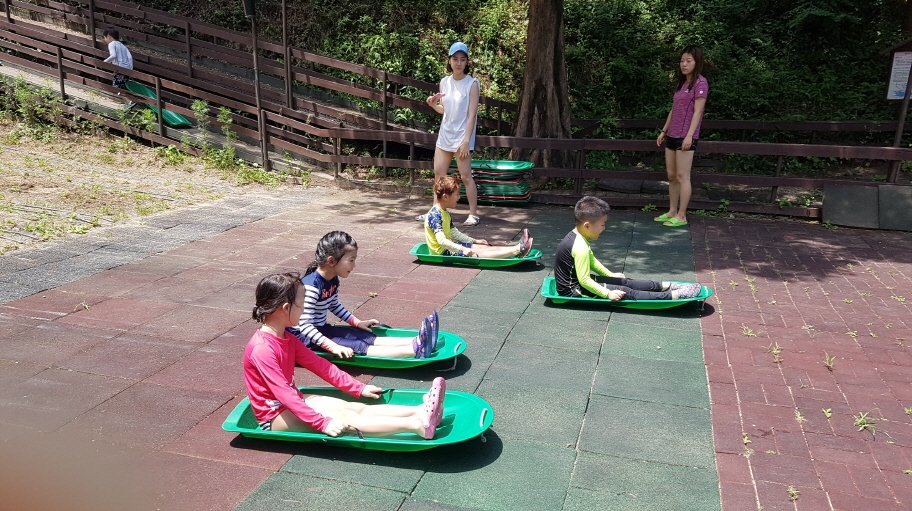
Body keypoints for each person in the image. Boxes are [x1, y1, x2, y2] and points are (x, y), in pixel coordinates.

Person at [244, 272, 446, 438]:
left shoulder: (286, 337)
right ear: (286, 308)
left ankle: (421, 411)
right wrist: (322, 423)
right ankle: (418, 425)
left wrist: (358, 387)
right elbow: (283, 393)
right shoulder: (262, 349)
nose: (305, 309)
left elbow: (321, 366)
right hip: (273, 416)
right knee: (348, 420)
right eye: (302, 304)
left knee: (354, 408)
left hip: (291, 401)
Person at [289, 231, 439, 359]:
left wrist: (356, 322)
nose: (354, 266)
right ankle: (414, 350)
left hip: (321, 329)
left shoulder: (333, 279)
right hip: (306, 339)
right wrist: (332, 346)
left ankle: (418, 340)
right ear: (331, 261)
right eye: (351, 260)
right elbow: (305, 327)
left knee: (361, 336)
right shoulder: (311, 287)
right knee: (358, 345)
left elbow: (334, 305)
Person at [553, 196, 703, 301]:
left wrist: (610, 275)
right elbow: (585, 280)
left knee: (623, 282)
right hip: (573, 291)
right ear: (587, 225)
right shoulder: (580, 247)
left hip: (578, 283)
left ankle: (667, 286)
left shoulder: (578, 236)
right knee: (625, 291)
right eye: (602, 225)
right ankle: (673, 295)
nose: (604, 228)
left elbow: (591, 261)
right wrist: (607, 294)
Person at [417, 41, 481, 227]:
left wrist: (466, 141)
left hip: (462, 137)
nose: (458, 63)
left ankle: (473, 214)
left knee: (466, 176)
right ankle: (435, 211)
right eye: (455, 59)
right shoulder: (444, 82)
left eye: (462, 59)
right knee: (439, 175)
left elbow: (472, 115)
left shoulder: (472, 83)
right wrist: (432, 105)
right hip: (445, 135)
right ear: (449, 61)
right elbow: (444, 110)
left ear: (467, 62)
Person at [655, 46, 708, 228]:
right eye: (682, 61)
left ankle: (682, 215)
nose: (684, 64)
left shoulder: (701, 83)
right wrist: (664, 131)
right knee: (671, 175)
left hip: (686, 136)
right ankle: (672, 211)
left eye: (688, 61)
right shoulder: (682, 83)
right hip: (672, 134)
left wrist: (689, 136)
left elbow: (698, 112)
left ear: (697, 62)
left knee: (682, 175)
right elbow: (674, 109)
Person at [425, 176, 533, 258]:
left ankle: (516, 248)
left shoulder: (444, 212)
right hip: (442, 252)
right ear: (445, 197)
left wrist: (474, 241)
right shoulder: (435, 216)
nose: (459, 197)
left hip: (449, 248)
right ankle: (518, 249)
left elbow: (454, 233)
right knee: (477, 252)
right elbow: (442, 241)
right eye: (457, 194)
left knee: (482, 247)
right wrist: (462, 249)